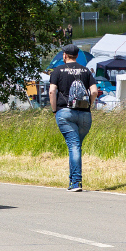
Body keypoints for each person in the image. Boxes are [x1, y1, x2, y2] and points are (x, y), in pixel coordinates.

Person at [47, 45, 100, 192]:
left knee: (74, 146)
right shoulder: (86, 71)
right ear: (77, 55)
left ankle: (76, 182)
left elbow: (52, 91)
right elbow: (94, 91)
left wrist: (54, 110)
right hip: (84, 114)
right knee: (76, 146)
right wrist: (89, 104)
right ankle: (72, 180)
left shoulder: (57, 71)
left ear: (64, 55)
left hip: (65, 112)